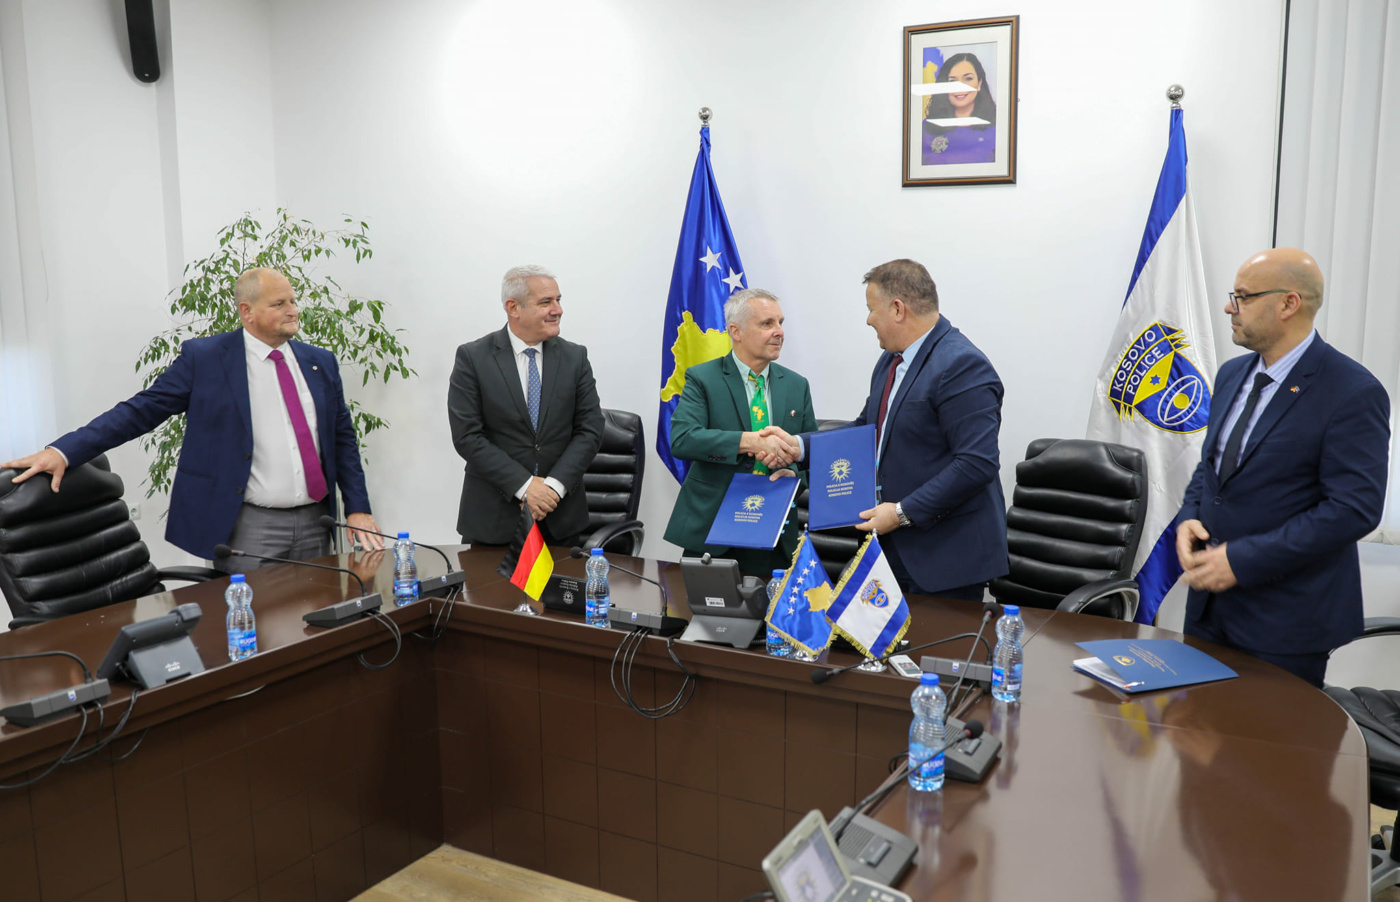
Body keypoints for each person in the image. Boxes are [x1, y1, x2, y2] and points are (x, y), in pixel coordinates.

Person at [2, 267, 383, 571]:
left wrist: (358, 508)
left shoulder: (320, 362)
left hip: (318, 521)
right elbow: (140, 410)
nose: (293, 310)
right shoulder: (207, 359)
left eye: (294, 301)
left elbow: (342, 438)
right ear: (247, 312)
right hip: (249, 526)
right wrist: (64, 451)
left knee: (317, 620)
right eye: (279, 303)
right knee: (253, 628)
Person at [1175, 247, 1389, 688]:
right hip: (1208, 610)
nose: (1230, 308)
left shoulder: (1351, 391)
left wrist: (1242, 559)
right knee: (1194, 728)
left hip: (1285, 622)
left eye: (1243, 296)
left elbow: (1353, 510)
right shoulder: (1231, 374)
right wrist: (1189, 515)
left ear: (1289, 303)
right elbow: (1213, 467)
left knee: (1268, 736)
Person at [767, 259, 1008, 600]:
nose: (868, 319)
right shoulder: (892, 360)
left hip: (944, 557)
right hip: (889, 549)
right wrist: (799, 447)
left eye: (871, 309)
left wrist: (900, 513)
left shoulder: (961, 364)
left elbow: (976, 463)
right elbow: (867, 430)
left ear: (897, 309)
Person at [448, 265, 604, 548]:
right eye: (546, 302)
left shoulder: (575, 357)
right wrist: (525, 486)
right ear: (513, 308)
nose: (557, 310)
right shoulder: (473, 358)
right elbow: (468, 437)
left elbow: (590, 430)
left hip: (560, 521)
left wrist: (551, 488)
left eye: (558, 300)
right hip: (493, 522)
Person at [663, 288, 817, 576]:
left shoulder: (797, 385)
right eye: (767, 323)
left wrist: (793, 473)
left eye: (780, 322)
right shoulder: (703, 378)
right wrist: (750, 442)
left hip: (773, 532)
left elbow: (812, 452)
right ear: (736, 331)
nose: (779, 332)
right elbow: (683, 439)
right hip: (714, 530)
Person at [922, 52, 996, 165]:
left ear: (979, 83)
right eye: (953, 81)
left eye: (968, 78)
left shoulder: (998, 126)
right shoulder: (926, 127)